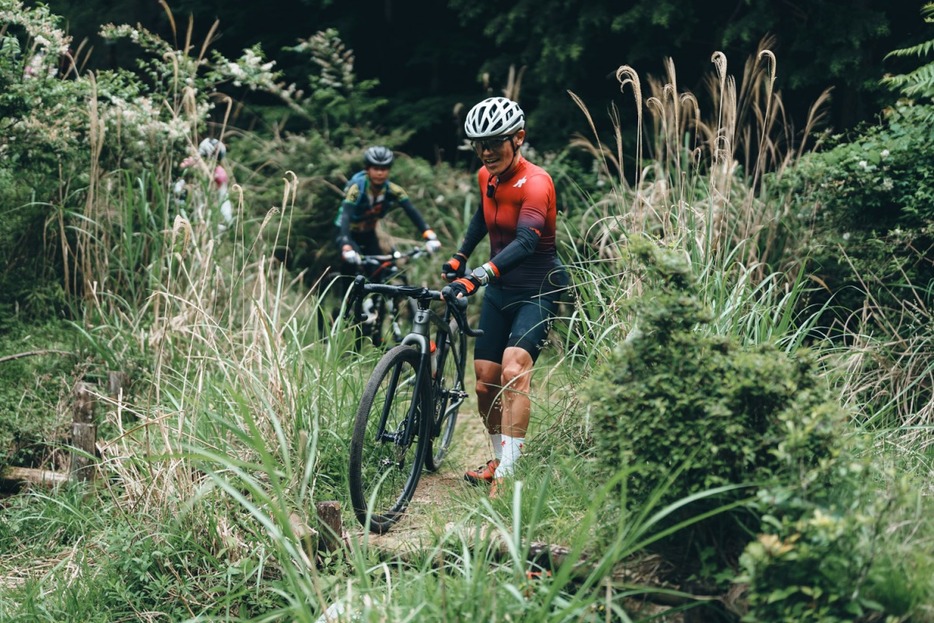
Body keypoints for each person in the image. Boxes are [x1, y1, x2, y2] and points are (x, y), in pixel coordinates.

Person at [442, 96, 569, 497]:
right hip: (499, 288)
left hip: (538, 287)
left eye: (494, 142)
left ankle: (510, 475)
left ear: (518, 138)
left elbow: (528, 240)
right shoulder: (486, 175)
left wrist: (477, 276)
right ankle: (499, 458)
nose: (486, 151)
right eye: (478, 144)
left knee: (514, 373)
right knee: (484, 384)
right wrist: (462, 255)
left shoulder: (536, 183)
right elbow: (484, 214)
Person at [334, 145, 441, 270]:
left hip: (368, 233)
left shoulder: (394, 190)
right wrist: (346, 245)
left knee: (379, 270)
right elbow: (345, 215)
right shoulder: (357, 188)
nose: (380, 173)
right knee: (350, 269)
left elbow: (411, 211)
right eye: (375, 168)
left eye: (384, 169)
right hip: (346, 232)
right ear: (368, 169)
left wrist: (430, 236)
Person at [174, 137, 233, 230]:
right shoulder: (190, 172)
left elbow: (214, 181)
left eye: (202, 156)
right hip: (190, 219)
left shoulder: (218, 172)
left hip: (216, 223)